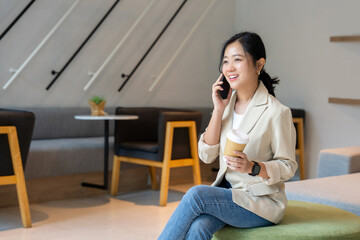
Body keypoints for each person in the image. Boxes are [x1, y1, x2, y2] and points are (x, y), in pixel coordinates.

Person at [158, 31, 297, 240]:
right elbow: (206, 155)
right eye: (225, 62)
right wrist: (218, 109)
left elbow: (288, 166)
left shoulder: (276, 112)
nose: (229, 68)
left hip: (260, 202)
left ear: (259, 65)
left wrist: (253, 167)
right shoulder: (226, 106)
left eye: (237, 60)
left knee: (197, 195)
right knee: (199, 228)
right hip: (229, 193)